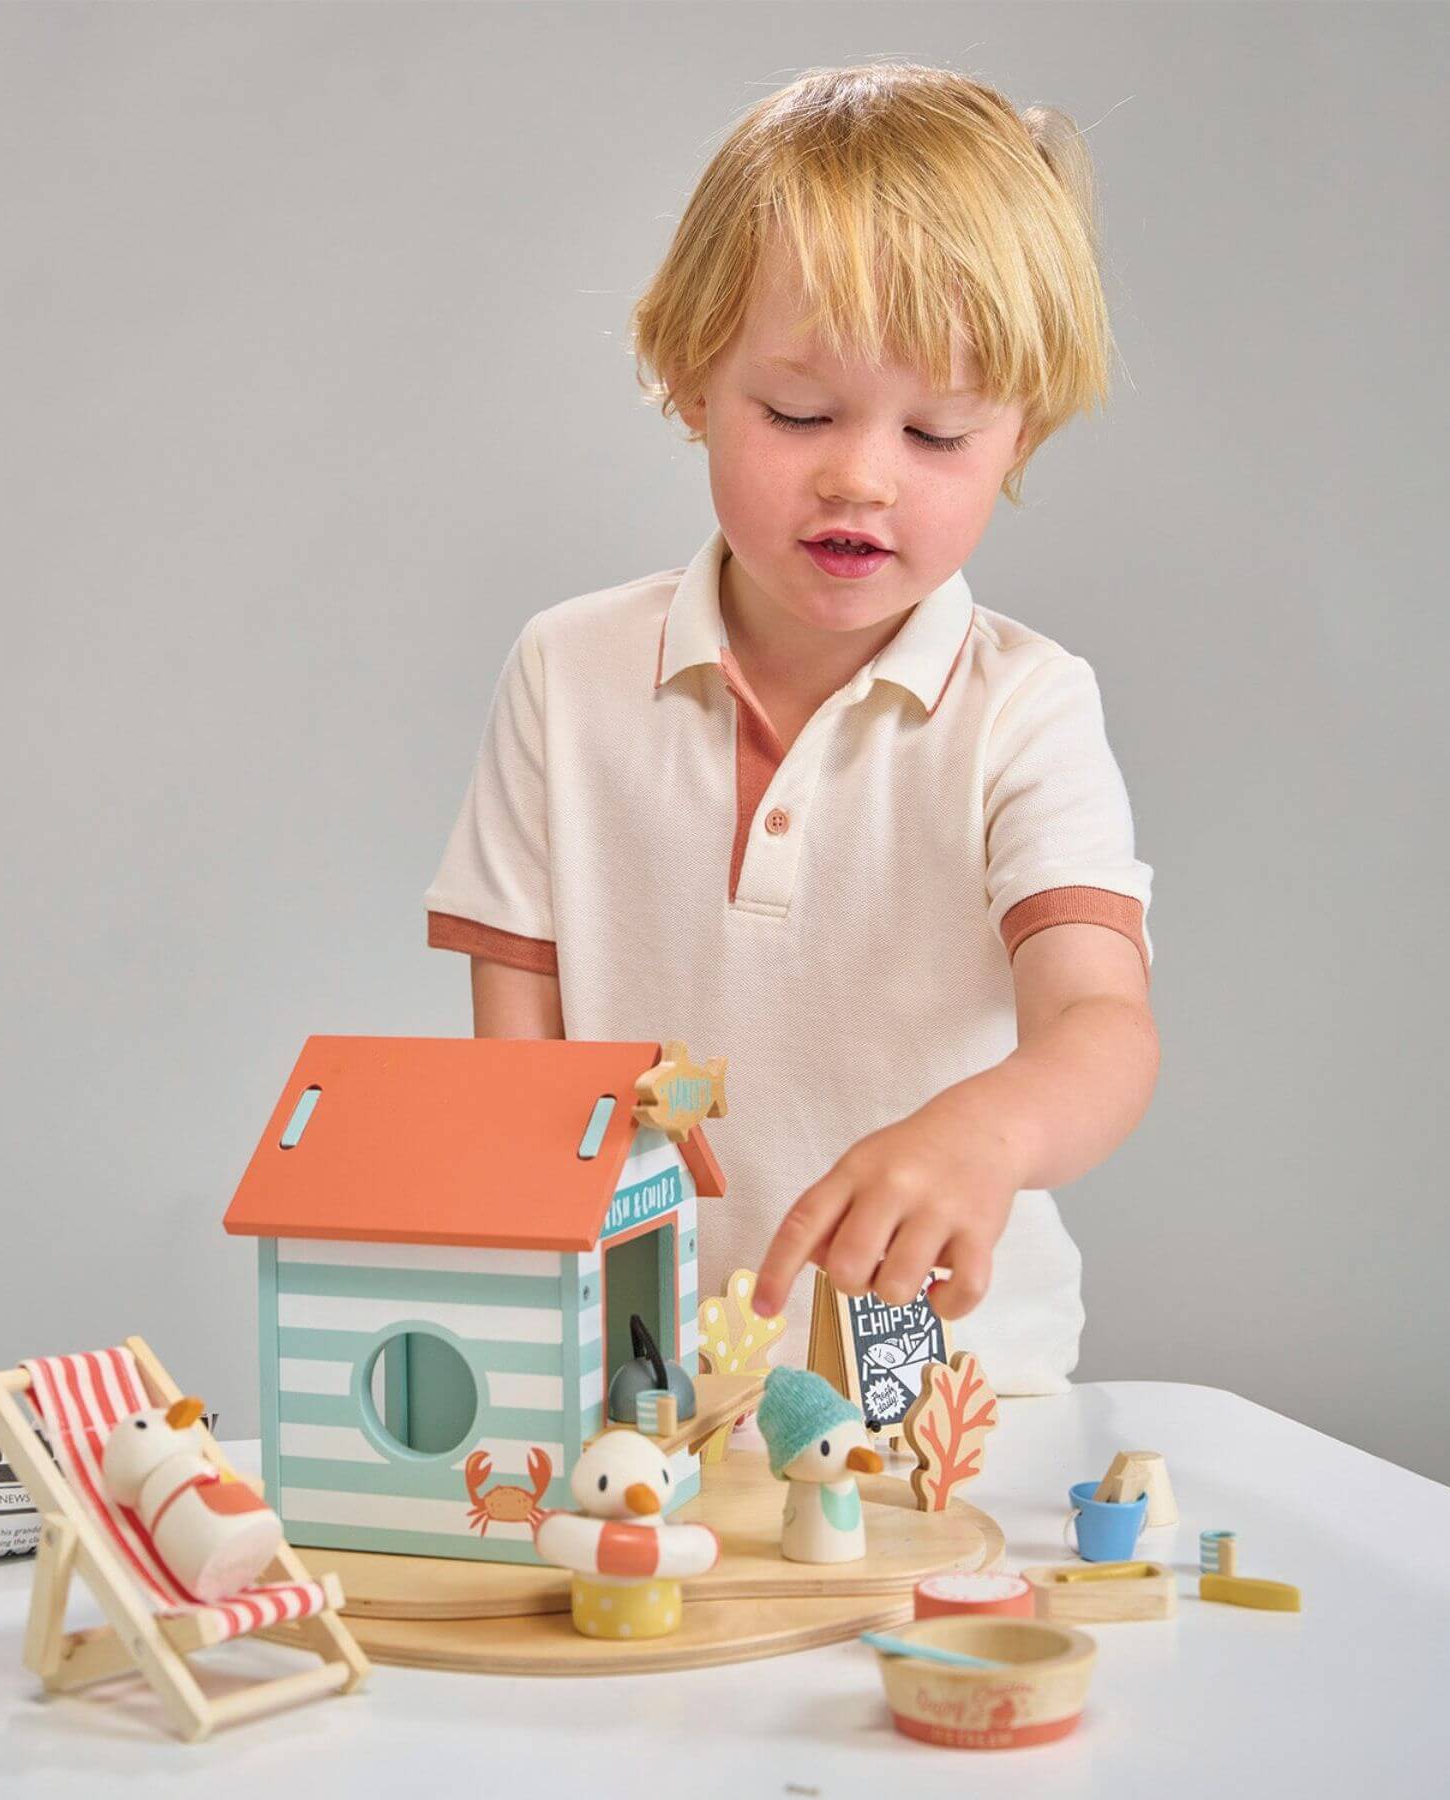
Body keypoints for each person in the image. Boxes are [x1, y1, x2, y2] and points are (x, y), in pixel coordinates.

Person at [423, 62, 1158, 1395]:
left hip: (946, 1378)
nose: (859, 475)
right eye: (800, 412)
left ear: (1020, 440)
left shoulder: (1027, 709)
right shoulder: (570, 673)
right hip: (638, 1372)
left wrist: (987, 1133)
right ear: (692, 373)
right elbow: (518, 1070)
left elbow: (1103, 1028)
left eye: (938, 432)